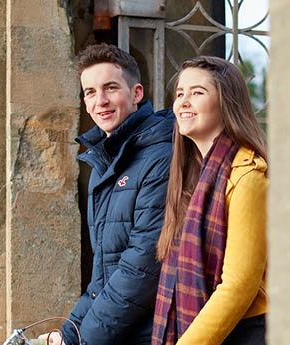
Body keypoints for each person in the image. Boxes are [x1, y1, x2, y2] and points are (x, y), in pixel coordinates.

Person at [39, 43, 174, 345]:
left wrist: (84, 341)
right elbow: (103, 275)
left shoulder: (160, 158)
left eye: (110, 88)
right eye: (89, 92)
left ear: (136, 93)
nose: (100, 101)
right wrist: (69, 335)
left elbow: (142, 267)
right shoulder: (105, 162)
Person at [152, 56, 268, 345]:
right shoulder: (194, 176)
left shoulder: (248, 176)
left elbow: (239, 286)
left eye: (197, 93)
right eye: (180, 94)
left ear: (226, 102)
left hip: (251, 331)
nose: (183, 102)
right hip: (216, 329)